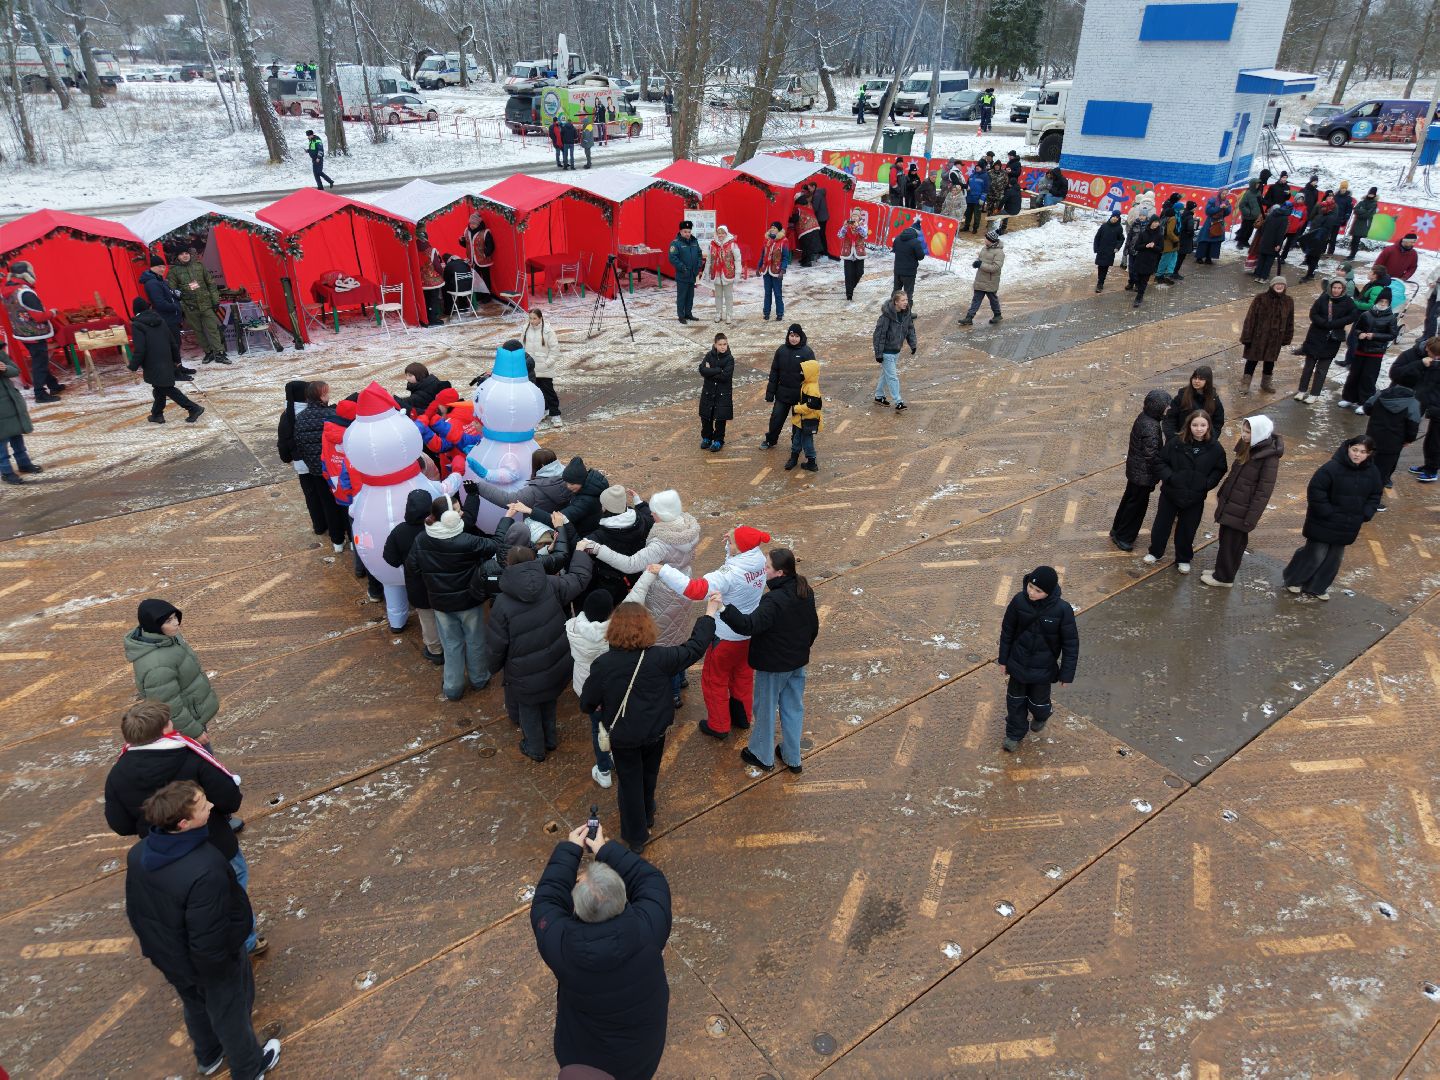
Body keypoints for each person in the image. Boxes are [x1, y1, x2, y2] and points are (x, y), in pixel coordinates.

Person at [123, 781, 281, 1080]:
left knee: (195, 1005)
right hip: (212, 964)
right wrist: (227, 960)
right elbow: (209, 938)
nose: (210, 806)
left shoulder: (138, 853)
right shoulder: (205, 866)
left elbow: (137, 910)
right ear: (184, 823)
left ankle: (208, 1057)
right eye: (202, 805)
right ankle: (250, 1068)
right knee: (230, 1014)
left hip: (169, 956)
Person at [105, 701, 260, 952]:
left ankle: (201, 946)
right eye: (169, 721)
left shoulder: (119, 772)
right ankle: (246, 943)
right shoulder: (190, 757)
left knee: (187, 904)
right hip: (214, 844)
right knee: (233, 894)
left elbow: (120, 824)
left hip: (163, 854)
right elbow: (230, 798)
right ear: (164, 730)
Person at [530, 824, 672, 1080]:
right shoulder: (649, 929)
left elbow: (546, 900)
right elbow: (651, 880)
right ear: (623, 898)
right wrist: (606, 849)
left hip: (583, 1055)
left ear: (577, 908)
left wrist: (570, 849)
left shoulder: (560, 946)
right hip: (641, 1055)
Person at [581, 598, 720, 852]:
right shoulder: (661, 657)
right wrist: (709, 614)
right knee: (650, 773)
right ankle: (648, 812)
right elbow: (695, 648)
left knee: (629, 781)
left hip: (624, 736)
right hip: (655, 731)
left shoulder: (603, 665)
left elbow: (587, 702)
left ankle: (636, 836)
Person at [580, 490, 701, 702]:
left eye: (654, 512)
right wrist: (639, 502)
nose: (652, 516)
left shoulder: (660, 544)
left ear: (663, 514)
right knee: (679, 634)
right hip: (684, 585)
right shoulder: (688, 528)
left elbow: (630, 564)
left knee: (664, 644)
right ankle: (682, 678)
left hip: (663, 593)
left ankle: (673, 694)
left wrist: (597, 549)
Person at [656, 526, 769, 739]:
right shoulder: (759, 560)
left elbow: (694, 589)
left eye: (732, 542)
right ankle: (743, 717)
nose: (729, 544)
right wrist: (733, 544)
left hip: (724, 637)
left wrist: (662, 570)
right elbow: (736, 558)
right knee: (743, 677)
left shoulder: (728, 575)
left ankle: (719, 725)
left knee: (714, 680)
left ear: (741, 548)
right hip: (748, 634)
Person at [488, 539, 594, 761]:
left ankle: (535, 747)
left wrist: (492, 667)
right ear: (534, 560)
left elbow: (497, 644)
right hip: (555, 662)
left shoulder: (502, 603)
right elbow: (579, 579)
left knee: (529, 709)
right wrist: (581, 553)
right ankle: (551, 739)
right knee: (549, 699)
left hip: (523, 671)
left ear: (508, 565)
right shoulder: (552, 584)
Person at [715, 547, 818, 773]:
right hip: (797, 662)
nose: (764, 569)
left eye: (767, 567)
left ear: (779, 573)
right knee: (793, 708)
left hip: (773, 666)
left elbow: (748, 625)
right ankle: (792, 757)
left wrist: (723, 608)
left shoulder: (772, 601)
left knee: (765, 709)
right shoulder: (804, 590)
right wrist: (799, 651)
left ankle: (762, 754)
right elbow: (813, 627)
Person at [407, 499, 511, 701]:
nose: (461, 513)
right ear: (448, 517)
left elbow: (412, 567)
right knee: (475, 640)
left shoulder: (422, 539)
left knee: (451, 644)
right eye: (457, 510)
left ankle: (453, 687)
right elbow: (496, 546)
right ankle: (479, 679)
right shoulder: (467, 541)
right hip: (469, 601)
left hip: (440, 604)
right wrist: (506, 520)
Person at [1283, 436, 1382, 600]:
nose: (1357, 455)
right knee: (1315, 554)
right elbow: (1316, 490)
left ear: (1369, 454)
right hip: (1323, 522)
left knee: (1334, 558)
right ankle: (1294, 579)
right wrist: (1326, 512)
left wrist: (1366, 513)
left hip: (1348, 524)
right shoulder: (1331, 468)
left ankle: (1317, 587)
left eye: (1363, 452)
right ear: (1348, 448)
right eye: (1355, 450)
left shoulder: (1373, 472)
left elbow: (1375, 495)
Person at [996, 566, 1078, 753]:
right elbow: (1007, 632)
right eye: (1031, 587)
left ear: (1048, 592)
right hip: (1017, 666)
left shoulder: (1062, 610)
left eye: (1038, 591)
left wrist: (1067, 674)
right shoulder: (1018, 601)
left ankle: (1042, 715)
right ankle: (1014, 734)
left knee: (1038, 702)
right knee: (1015, 701)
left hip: (1043, 670)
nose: (1032, 592)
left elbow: (1071, 644)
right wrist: (1003, 660)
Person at [1201, 415, 1284, 587]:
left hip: (1243, 509)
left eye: (1248, 432)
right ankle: (1221, 571)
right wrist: (1223, 494)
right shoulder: (1249, 447)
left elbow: (1263, 492)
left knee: (1233, 545)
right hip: (1233, 504)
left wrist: (1250, 518)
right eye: (1243, 431)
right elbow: (1234, 474)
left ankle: (1224, 578)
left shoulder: (1269, 458)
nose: (1244, 435)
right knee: (1226, 540)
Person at [125, 599, 219, 745]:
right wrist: (195, 732)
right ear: (155, 625)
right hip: (184, 729)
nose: (176, 623)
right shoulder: (157, 667)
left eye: (175, 617)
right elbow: (168, 708)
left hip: (192, 715)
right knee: (203, 764)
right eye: (169, 620)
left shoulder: (167, 638)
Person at [1145, 409, 1228, 574]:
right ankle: (1155, 552)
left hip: (1195, 497)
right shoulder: (1176, 443)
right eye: (1195, 425)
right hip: (1171, 494)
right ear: (1189, 426)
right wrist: (1170, 477)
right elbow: (1160, 462)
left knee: (1188, 529)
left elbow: (1220, 469)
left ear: (1208, 427)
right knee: (1162, 525)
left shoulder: (1215, 448)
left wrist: (1206, 484)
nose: (1199, 428)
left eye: (1203, 425)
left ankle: (1183, 558)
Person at [383, 490, 444, 665]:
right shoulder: (440, 527)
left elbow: (391, 559)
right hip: (443, 582)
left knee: (427, 619)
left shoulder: (399, 532)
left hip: (417, 585)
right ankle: (452, 646)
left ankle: (435, 651)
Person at [1109, 389, 1171, 552]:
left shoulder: (1145, 418)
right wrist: (1162, 471)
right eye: (1165, 408)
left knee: (1129, 500)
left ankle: (1117, 529)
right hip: (1143, 475)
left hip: (1136, 472)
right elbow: (1152, 455)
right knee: (1136, 507)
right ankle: (1124, 536)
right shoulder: (1151, 427)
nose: (1167, 411)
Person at [130, 297, 204, 424]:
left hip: (152, 363)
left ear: (135, 310)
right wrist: (176, 360)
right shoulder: (161, 320)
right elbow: (172, 343)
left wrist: (133, 365)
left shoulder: (137, 325)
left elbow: (140, 348)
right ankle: (157, 414)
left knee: (167, 388)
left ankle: (193, 408)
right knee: (159, 387)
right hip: (166, 360)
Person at [1, 260, 66, 402]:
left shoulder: (7, 290)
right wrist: (53, 312)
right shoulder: (25, 293)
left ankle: (52, 384)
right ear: (27, 274)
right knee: (39, 363)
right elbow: (39, 317)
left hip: (22, 332)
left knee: (40, 360)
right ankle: (40, 394)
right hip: (34, 333)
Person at [584, 485, 655, 606]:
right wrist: (640, 503)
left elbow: (583, 547)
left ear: (606, 508)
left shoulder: (600, 536)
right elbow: (650, 517)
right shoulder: (641, 519)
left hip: (611, 582)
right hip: (638, 572)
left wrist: (566, 526)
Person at [1295, 277, 1357, 404]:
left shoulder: (1348, 302)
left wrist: (1336, 323)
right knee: (1308, 367)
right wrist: (1323, 323)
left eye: (1339, 288)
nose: (1336, 290)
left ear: (1343, 289)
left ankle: (1314, 393)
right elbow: (1313, 313)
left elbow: (1352, 316)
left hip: (1332, 340)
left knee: (1322, 369)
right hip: (1315, 336)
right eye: (1334, 287)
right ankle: (1302, 390)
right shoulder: (1323, 298)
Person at [1360, 381, 1421, 505]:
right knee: (1382, 473)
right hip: (1393, 445)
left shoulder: (1380, 395)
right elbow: (1413, 426)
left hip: (1372, 439)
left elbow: (1367, 408)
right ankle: (1372, 502)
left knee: (1365, 466)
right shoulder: (1413, 403)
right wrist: (1409, 440)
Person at [1338, 291, 1399, 411]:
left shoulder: (1391, 318)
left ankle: (1364, 402)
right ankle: (1349, 398)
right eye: (1381, 301)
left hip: (1376, 352)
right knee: (1354, 375)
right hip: (1361, 350)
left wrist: (1374, 336)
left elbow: (1392, 334)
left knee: (1368, 377)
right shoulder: (1366, 314)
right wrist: (1360, 334)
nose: (1383, 304)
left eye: (1385, 302)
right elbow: (1357, 328)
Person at [168, 248, 230, 366]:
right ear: (177, 257)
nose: (185, 255)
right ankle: (208, 352)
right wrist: (183, 306)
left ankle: (220, 352)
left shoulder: (199, 266)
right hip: (190, 307)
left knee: (213, 329)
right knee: (198, 331)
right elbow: (172, 291)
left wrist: (215, 300)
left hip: (206, 304)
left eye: (186, 253)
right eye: (181, 254)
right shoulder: (174, 271)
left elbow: (211, 284)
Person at [1238, 277, 1294, 394]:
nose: (1279, 286)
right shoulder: (1260, 298)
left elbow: (1290, 321)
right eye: (1277, 284)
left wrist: (1287, 337)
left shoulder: (1288, 301)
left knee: (1270, 362)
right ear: (1272, 285)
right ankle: (1245, 383)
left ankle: (1266, 383)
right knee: (1252, 361)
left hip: (1275, 339)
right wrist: (1247, 336)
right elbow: (1250, 318)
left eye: (1282, 285)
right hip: (1258, 337)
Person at [761, 324, 810, 449]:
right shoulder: (781, 350)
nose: (793, 338)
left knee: (797, 423)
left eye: (796, 336)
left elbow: (812, 377)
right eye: (791, 335)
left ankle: (796, 444)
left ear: (801, 337)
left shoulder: (807, 352)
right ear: (788, 336)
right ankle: (771, 440)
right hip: (782, 394)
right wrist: (770, 393)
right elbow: (774, 373)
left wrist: (810, 398)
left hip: (799, 396)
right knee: (776, 419)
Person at [0, 340, 41, 485]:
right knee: (1, 443)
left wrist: (5, 368)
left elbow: (15, 370)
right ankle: (6, 472)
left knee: (17, 437)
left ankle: (24, 463)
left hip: (10, 402)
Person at [872, 288, 916, 411]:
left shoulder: (906, 313)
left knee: (886, 375)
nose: (906, 302)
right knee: (892, 377)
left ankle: (879, 396)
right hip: (887, 352)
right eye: (903, 300)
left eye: (906, 299)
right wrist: (879, 353)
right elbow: (879, 336)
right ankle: (898, 401)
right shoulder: (886, 317)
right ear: (896, 302)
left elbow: (910, 329)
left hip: (896, 351)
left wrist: (913, 344)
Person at [522, 308, 563, 427]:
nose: (532, 321)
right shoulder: (525, 329)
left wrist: (547, 363)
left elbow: (555, 350)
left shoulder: (548, 331)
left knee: (549, 392)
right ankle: (543, 411)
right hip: (531, 369)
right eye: (530, 318)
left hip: (544, 368)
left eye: (534, 318)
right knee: (536, 393)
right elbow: (522, 347)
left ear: (540, 318)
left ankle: (555, 414)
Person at [958, 229, 1005, 327]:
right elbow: (980, 260)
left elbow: (995, 267)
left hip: (990, 281)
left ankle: (997, 314)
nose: (985, 240)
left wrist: (981, 264)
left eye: (986, 239)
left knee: (993, 299)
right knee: (976, 299)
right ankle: (969, 318)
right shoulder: (984, 248)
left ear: (991, 240)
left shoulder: (999, 253)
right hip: (980, 279)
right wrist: (976, 263)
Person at [139, 254, 186, 348]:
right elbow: (160, 303)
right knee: (174, 345)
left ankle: (176, 362)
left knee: (176, 344)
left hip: (171, 318)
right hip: (167, 319)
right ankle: (175, 363)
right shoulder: (152, 283)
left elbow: (168, 295)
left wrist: (176, 295)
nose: (162, 269)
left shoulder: (160, 280)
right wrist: (176, 306)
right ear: (152, 267)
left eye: (164, 267)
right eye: (159, 266)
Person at [697, 333, 734, 451]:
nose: (723, 347)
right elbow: (702, 370)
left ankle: (718, 440)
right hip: (709, 392)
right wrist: (718, 370)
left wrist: (710, 372)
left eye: (725, 344)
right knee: (706, 417)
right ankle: (707, 437)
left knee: (720, 418)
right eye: (720, 344)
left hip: (722, 394)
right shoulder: (709, 355)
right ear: (715, 345)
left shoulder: (730, 359)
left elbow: (725, 377)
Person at [558, 455, 610, 536]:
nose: (568, 486)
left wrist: (533, 512)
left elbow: (560, 517)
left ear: (581, 481)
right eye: (566, 482)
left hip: (585, 534)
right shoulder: (591, 487)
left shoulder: (586, 501)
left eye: (572, 483)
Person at [786, 357, 822, 472]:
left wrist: (796, 408)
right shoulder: (806, 383)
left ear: (809, 373)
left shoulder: (812, 388)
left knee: (807, 442)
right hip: (801, 420)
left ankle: (812, 463)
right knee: (796, 439)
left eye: (803, 371)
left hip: (808, 420)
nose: (801, 373)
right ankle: (793, 458)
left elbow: (812, 406)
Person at [667, 220, 703, 325]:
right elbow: (672, 258)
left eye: (689, 231)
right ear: (680, 231)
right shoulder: (676, 243)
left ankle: (688, 313)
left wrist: (699, 264)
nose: (687, 234)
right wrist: (682, 267)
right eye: (685, 231)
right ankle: (681, 316)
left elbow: (699, 254)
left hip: (692, 274)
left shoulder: (694, 241)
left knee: (690, 296)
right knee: (682, 296)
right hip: (682, 274)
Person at [1299, 197, 1339, 281]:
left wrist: (1314, 237)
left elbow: (1323, 230)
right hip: (1313, 239)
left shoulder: (1330, 218)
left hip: (1319, 241)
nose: (1322, 208)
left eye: (1324, 207)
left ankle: (1309, 275)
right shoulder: (1320, 215)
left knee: (1314, 258)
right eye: (1322, 207)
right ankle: (1310, 273)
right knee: (1309, 257)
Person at [707, 224, 741, 324]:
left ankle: (729, 314)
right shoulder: (712, 244)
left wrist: (738, 274)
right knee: (717, 296)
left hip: (728, 273)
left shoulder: (732, 244)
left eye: (722, 233)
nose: (720, 235)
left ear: (726, 233)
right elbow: (709, 259)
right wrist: (707, 272)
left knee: (728, 296)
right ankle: (718, 313)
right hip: (717, 274)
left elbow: (737, 260)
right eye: (719, 233)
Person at [1127, 216, 1162, 307]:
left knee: (1144, 280)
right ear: (1151, 222)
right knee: (1138, 278)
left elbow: (1161, 249)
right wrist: (1146, 246)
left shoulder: (1159, 235)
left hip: (1151, 261)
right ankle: (1138, 289)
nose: (1156, 224)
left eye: (1157, 222)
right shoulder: (1143, 233)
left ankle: (1139, 297)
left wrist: (1154, 246)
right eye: (1154, 222)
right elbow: (1136, 247)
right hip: (1140, 259)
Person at [758, 221, 790, 322]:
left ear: (779, 230)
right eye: (771, 227)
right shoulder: (767, 240)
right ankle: (766, 313)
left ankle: (779, 313)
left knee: (777, 293)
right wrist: (759, 267)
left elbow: (785, 257)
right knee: (767, 293)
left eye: (775, 228)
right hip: (766, 270)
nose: (772, 229)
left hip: (776, 271)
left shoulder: (784, 241)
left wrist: (783, 270)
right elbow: (763, 255)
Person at [891, 220, 926, 304]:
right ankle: (906, 315)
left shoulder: (898, 238)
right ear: (916, 232)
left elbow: (894, 250)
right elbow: (921, 256)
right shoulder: (916, 242)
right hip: (909, 273)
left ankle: (892, 311)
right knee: (908, 294)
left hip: (898, 270)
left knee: (896, 292)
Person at [461, 213, 495, 297]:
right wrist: (461, 241)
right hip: (472, 260)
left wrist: (485, 254)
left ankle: (487, 296)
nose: (472, 225)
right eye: (471, 223)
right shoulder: (466, 231)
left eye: (474, 224)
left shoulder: (485, 232)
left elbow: (491, 246)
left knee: (485, 279)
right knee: (476, 279)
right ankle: (479, 296)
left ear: (478, 224)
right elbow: (466, 244)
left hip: (483, 260)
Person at [837, 208, 868, 301]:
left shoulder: (863, 225)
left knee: (860, 273)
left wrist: (858, 227)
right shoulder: (846, 226)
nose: (854, 218)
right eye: (853, 216)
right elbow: (840, 235)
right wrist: (844, 227)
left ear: (859, 218)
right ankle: (849, 294)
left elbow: (865, 234)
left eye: (856, 217)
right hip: (848, 253)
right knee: (848, 274)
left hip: (859, 253)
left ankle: (853, 286)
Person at [1253, 202, 1289, 280]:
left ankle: (1258, 275)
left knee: (1261, 259)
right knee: (1268, 261)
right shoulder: (1284, 219)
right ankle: (1263, 277)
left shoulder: (1270, 216)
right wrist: (1278, 244)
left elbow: (1263, 228)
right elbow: (1281, 233)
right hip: (1273, 244)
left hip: (1264, 241)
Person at [1093, 212, 1125, 292]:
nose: (1115, 218)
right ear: (1111, 217)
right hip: (1101, 250)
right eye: (1114, 216)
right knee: (1100, 267)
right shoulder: (1104, 226)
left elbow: (1121, 239)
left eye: (1117, 217)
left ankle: (1100, 284)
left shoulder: (1119, 228)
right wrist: (1096, 248)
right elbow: (1097, 237)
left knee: (1105, 267)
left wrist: (1117, 247)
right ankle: (1100, 281)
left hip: (1110, 251)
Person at [1195, 192, 1230, 264]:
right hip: (1210, 223)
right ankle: (1199, 257)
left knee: (1215, 242)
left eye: (1226, 194)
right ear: (1219, 194)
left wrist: (1226, 208)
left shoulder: (1227, 202)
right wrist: (1219, 207)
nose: (1224, 195)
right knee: (1204, 240)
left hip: (1219, 224)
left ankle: (1209, 257)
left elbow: (1227, 212)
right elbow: (1208, 211)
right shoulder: (1212, 200)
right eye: (1223, 193)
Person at [789, 194, 823, 267]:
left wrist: (788, 219)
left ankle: (807, 262)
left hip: (805, 229)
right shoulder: (809, 204)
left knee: (805, 246)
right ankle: (805, 259)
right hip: (814, 226)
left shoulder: (797, 207)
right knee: (809, 246)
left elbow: (795, 219)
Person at [1154, 200, 1181, 285]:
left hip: (1169, 242)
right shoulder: (1173, 218)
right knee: (1166, 259)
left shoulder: (1165, 217)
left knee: (1172, 258)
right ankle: (1159, 275)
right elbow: (1169, 232)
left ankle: (1168, 274)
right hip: (1170, 242)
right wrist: (1176, 239)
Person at [1347, 187, 1378, 260]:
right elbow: (1355, 210)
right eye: (1370, 194)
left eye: (1372, 194)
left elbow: (1368, 215)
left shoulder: (1374, 204)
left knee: (1356, 240)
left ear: (1374, 195)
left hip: (1364, 224)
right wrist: (1364, 211)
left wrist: (1361, 211)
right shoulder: (1362, 202)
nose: (1370, 195)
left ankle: (1352, 255)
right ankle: (1352, 254)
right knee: (1354, 239)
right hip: (1357, 223)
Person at [1234, 178, 1262, 250]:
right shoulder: (1248, 193)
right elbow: (1242, 205)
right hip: (1247, 216)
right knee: (1244, 229)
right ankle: (1240, 242)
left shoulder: (1258, 192)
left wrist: (1259, 212)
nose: (1258, 185)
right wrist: (1248, 212)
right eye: (1256, 184)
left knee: (1250, 230)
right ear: (1253, 185)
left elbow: (1259, 203)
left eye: (1258, 184)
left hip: (1255, 216)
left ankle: (1245, 241)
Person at [1328, 181, 1355, 256]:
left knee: (1333, 237)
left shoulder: (1349, 199)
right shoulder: (1335, 196)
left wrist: (1346, 217)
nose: (1343, 189)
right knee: (1326, 235)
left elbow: (1349, 209)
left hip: (1339, 220)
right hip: (1330, 219)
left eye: (1345, 188)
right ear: (1340, 188)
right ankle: (1322, 249)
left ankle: (1330, 252)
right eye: (1342, 188)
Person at [808, 181, 833, 259]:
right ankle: (822, 251)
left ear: (813, 187)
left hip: (821, 218)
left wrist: (808, 207)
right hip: (823, 217)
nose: (809, 190)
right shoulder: (818, 193)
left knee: (821, 235)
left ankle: (824, 252)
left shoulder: (817, 195)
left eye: (810, 188)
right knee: (820, 235)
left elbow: (815, 208)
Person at [1174, 200, 1197, 279]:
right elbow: (1190, 228)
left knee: (1178, 256)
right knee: (1181, 257)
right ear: (1192, 208)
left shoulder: (1184, 214)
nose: (1195, 209)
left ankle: (1173, 271)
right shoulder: (1190, 216)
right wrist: (1191, 234)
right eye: (1195, 207)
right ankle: (1175, 273)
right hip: (1185, 239)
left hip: (1181, 238)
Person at [963, 162, 988, 235]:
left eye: (979, 167)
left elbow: (986, 188)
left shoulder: (985, 176)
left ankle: (975, 228)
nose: (977, 167)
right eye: (977, 166)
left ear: (982, 168)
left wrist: (982, 198)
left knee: (977, 215)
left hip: (978, 199)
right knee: (968, 214)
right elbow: (967, 185)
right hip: (969, 198)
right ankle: (966, 226)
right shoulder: (971, 175)